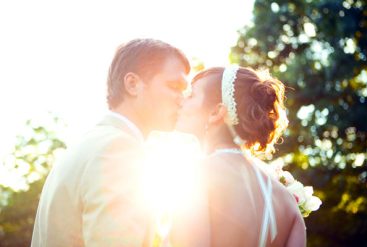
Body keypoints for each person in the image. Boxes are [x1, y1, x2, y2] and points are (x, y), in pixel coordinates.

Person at [31, 38, 190, 246]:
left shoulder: (88, 144)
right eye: (174, 86)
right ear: (133, 84)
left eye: (184, 90)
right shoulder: (118, 151)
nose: (182, 98)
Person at [176, 66, 306, 246]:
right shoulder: (287, 202)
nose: (180, 101)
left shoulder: (196, 176)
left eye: (190, 95)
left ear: (216, 112)